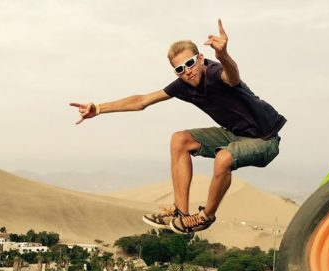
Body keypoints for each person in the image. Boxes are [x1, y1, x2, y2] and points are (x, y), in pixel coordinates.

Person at [70, 19, 285, 234]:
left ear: (201, 58)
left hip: (265, 139)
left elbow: (233, 76)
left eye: (190, 63)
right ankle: (181, 212)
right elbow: (142, 101)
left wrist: (223, 55)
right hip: (235, 135)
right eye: (180, 69)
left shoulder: (214, 73)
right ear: (176, 73)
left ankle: (204, 217)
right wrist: (98, 108)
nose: (188, 71)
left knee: (224, 158)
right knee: (179, 139)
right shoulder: (183, 85)